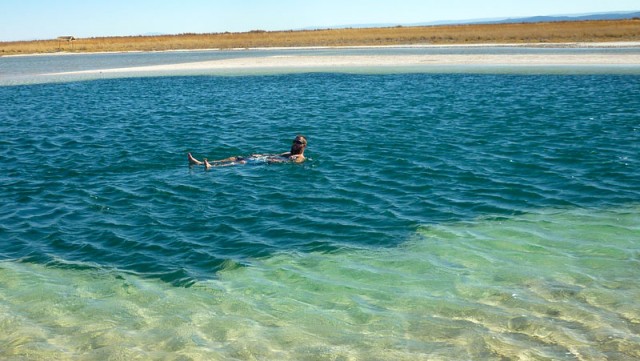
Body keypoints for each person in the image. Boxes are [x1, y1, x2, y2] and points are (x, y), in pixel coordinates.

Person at [188, 135, 307, 170]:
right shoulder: (288, 153)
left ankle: (212, 167)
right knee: (235, 158)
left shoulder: (300, 157)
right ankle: (198, 163)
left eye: (298, 142)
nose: (295, 144)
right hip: (263, 159)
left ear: (303, 145)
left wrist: (276, 162)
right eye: (294, 141)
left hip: (265, 164)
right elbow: (275, 155)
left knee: (241, 163)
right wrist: (261, 155)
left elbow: (291, 163)